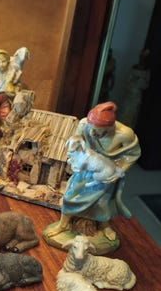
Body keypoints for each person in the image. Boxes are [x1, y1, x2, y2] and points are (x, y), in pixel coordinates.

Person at [47, 101, 141, 241]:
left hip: (107, 171)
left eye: (97, 131)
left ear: (109, 127)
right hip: (86, 168)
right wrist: (75, 145)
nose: (92, 133)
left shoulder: (124, 134)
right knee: (70, 196)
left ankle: (104, 225)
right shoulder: (84, 124)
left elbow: (132, 154)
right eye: (91, 128)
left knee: (102, 202)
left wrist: (118, 171)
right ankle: (63, 224)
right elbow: (76, 143)